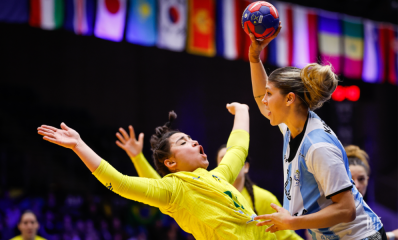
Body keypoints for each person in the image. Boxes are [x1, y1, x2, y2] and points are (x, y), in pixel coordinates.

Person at [37, 103, 277, 240]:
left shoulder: (219, 175)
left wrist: (243, 110)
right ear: (171, 163)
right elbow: (118, 182)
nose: (193, 142)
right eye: (183, 142)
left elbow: (238, 146)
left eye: (191, 138)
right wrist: (79, 145)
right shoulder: (173, 189)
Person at [247, 23, 386, 239]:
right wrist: (254, 59)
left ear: (290, 99)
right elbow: (261, 101)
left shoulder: (317, 146)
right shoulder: (293, 125)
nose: (263, 100)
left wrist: (292, 222)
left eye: (269, 94)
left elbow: (346, 210)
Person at [114, 133, 302, 239]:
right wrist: (138, 158)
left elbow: (287, 237)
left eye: (228, 159)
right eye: (221, 160)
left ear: (244, 166)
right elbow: (160, 190)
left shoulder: (263, 198)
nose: (226, 163)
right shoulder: (202, 188)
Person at [346, 145, 398, 240]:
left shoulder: (367, 215)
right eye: (350, 179)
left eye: (361, 179)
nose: (356, 185)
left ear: (367, 181)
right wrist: (393, 235)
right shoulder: (323, 208)